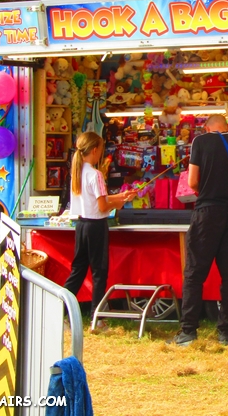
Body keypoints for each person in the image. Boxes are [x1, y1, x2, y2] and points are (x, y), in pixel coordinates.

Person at [170, 114, 228, 346]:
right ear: (227, 126)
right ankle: (225, 333)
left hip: (207, 212)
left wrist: (205, 191)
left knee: (194, 273)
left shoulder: (200, 142)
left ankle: (188, 331)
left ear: (206, 127)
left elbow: (192, 181)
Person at [63, 132, 136, 326]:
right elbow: (103, 206)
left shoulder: (77, 173)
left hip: (82, 225)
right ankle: (98, 316)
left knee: (78, 270)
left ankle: (61, 310)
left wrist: (119, 198)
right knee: (99, 271)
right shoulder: (95, 175)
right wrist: (117, 202)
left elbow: (97, 201)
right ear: (95, 150)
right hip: (96, 226)